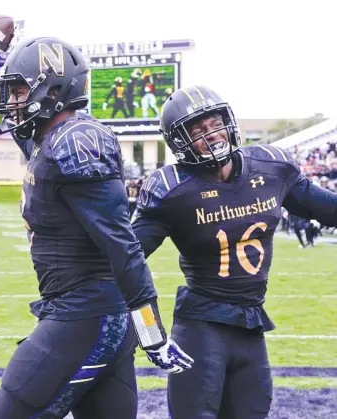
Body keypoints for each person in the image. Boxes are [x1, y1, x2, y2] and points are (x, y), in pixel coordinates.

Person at [0, 37, 193, 419]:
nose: (12, 102)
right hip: (93, 317)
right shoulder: (48, 141)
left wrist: (152, 335)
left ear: (54, 89)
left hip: (83, 318)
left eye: (18, 90)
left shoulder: (77, 141)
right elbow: (29, 144)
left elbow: (122, 246)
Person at [132, 85, 337, 419]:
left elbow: (328, 208)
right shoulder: (172, 189)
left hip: (251, 327)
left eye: (214, 123)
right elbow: (126, 261)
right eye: (196, 130)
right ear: (179, 142)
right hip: (201, 328)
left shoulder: (270, 167)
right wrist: (149, 332)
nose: (210, 134)